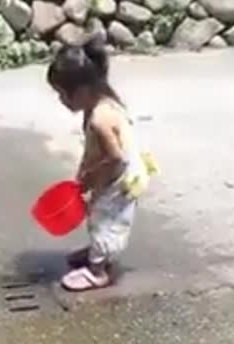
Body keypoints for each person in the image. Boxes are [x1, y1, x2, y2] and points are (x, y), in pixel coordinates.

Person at [47, 39, 158, 292]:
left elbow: (116, 157)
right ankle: (99, 252)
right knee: (101, 218)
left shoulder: (100, 118)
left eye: (64, 93)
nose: (61, 100)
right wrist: (85, 172)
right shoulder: (101, 102)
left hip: (120, 179)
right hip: (116, 170)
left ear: (85, 89)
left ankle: (98, 270)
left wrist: (94, 182)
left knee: (104, 219)